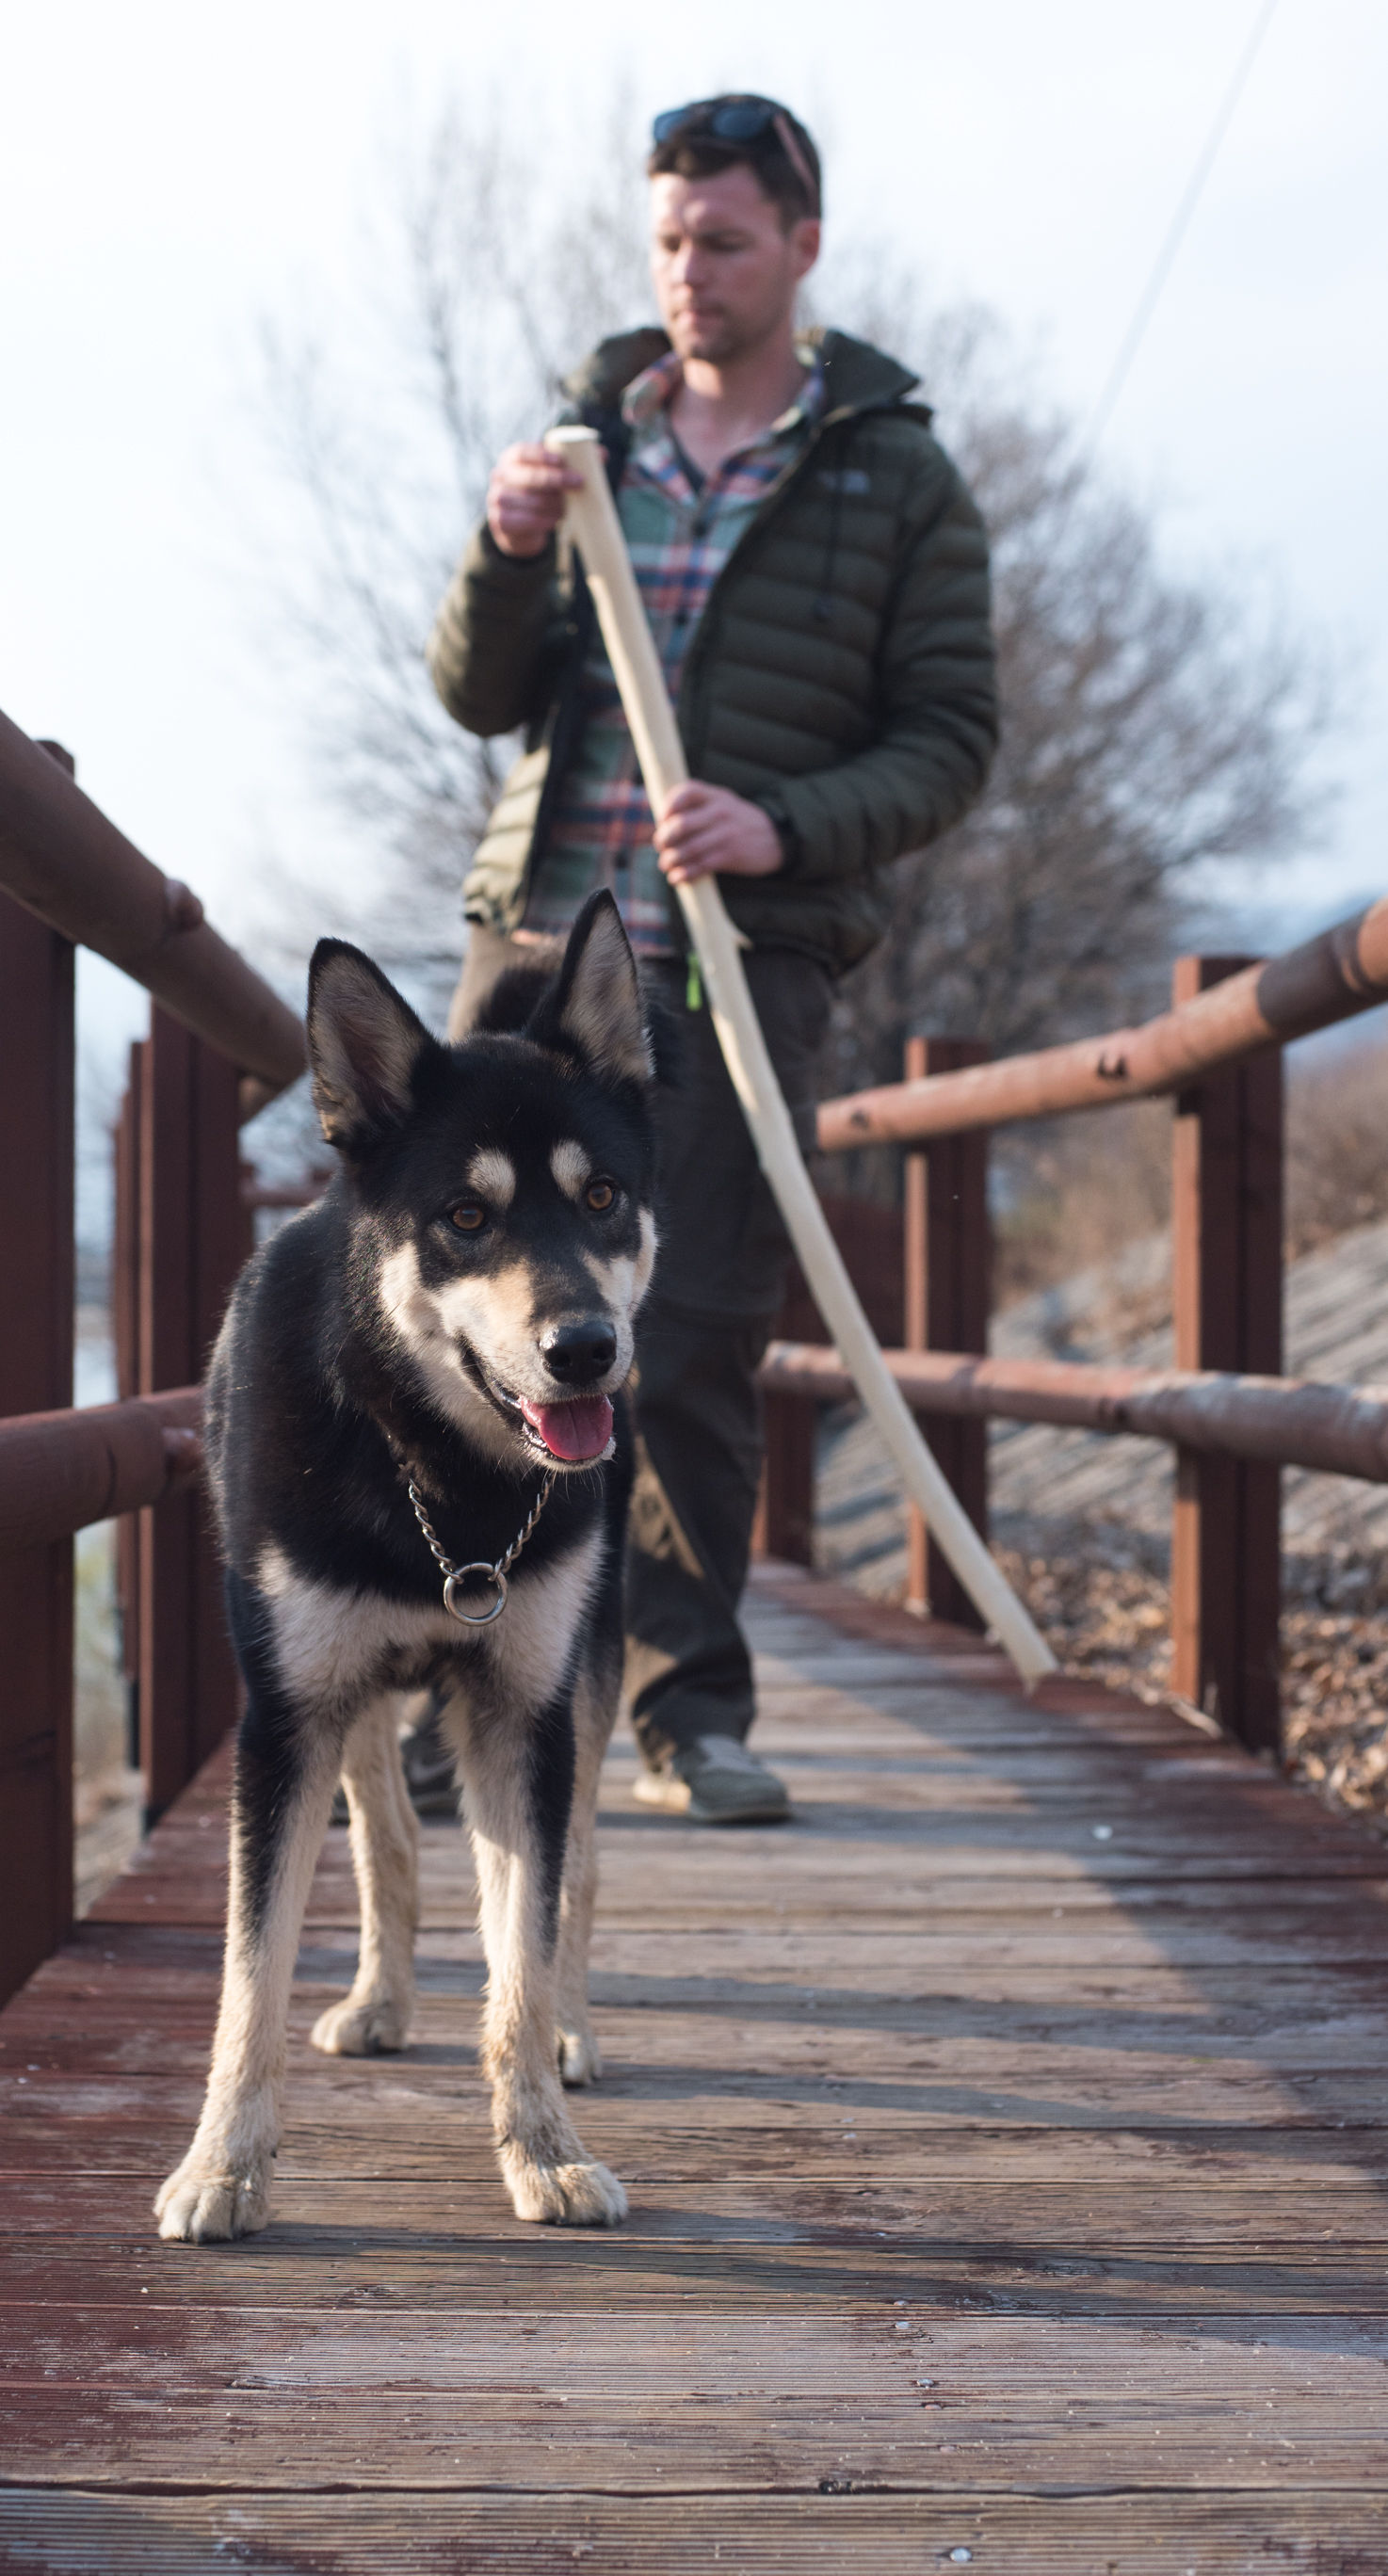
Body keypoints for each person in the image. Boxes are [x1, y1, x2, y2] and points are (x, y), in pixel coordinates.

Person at [420, 94, 998, 1825]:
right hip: (532, 950)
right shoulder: (585, 439)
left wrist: (784, 827)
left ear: (801, 248)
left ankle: (684, 1709)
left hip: (725, 973)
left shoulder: (893, 474)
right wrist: (509, 549)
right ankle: (454, 1692)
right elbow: (471, 691)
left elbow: (951, 738)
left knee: (692, 1330)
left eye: (724, 240)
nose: (689, 271)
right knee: (457, 1322)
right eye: (669, 238)